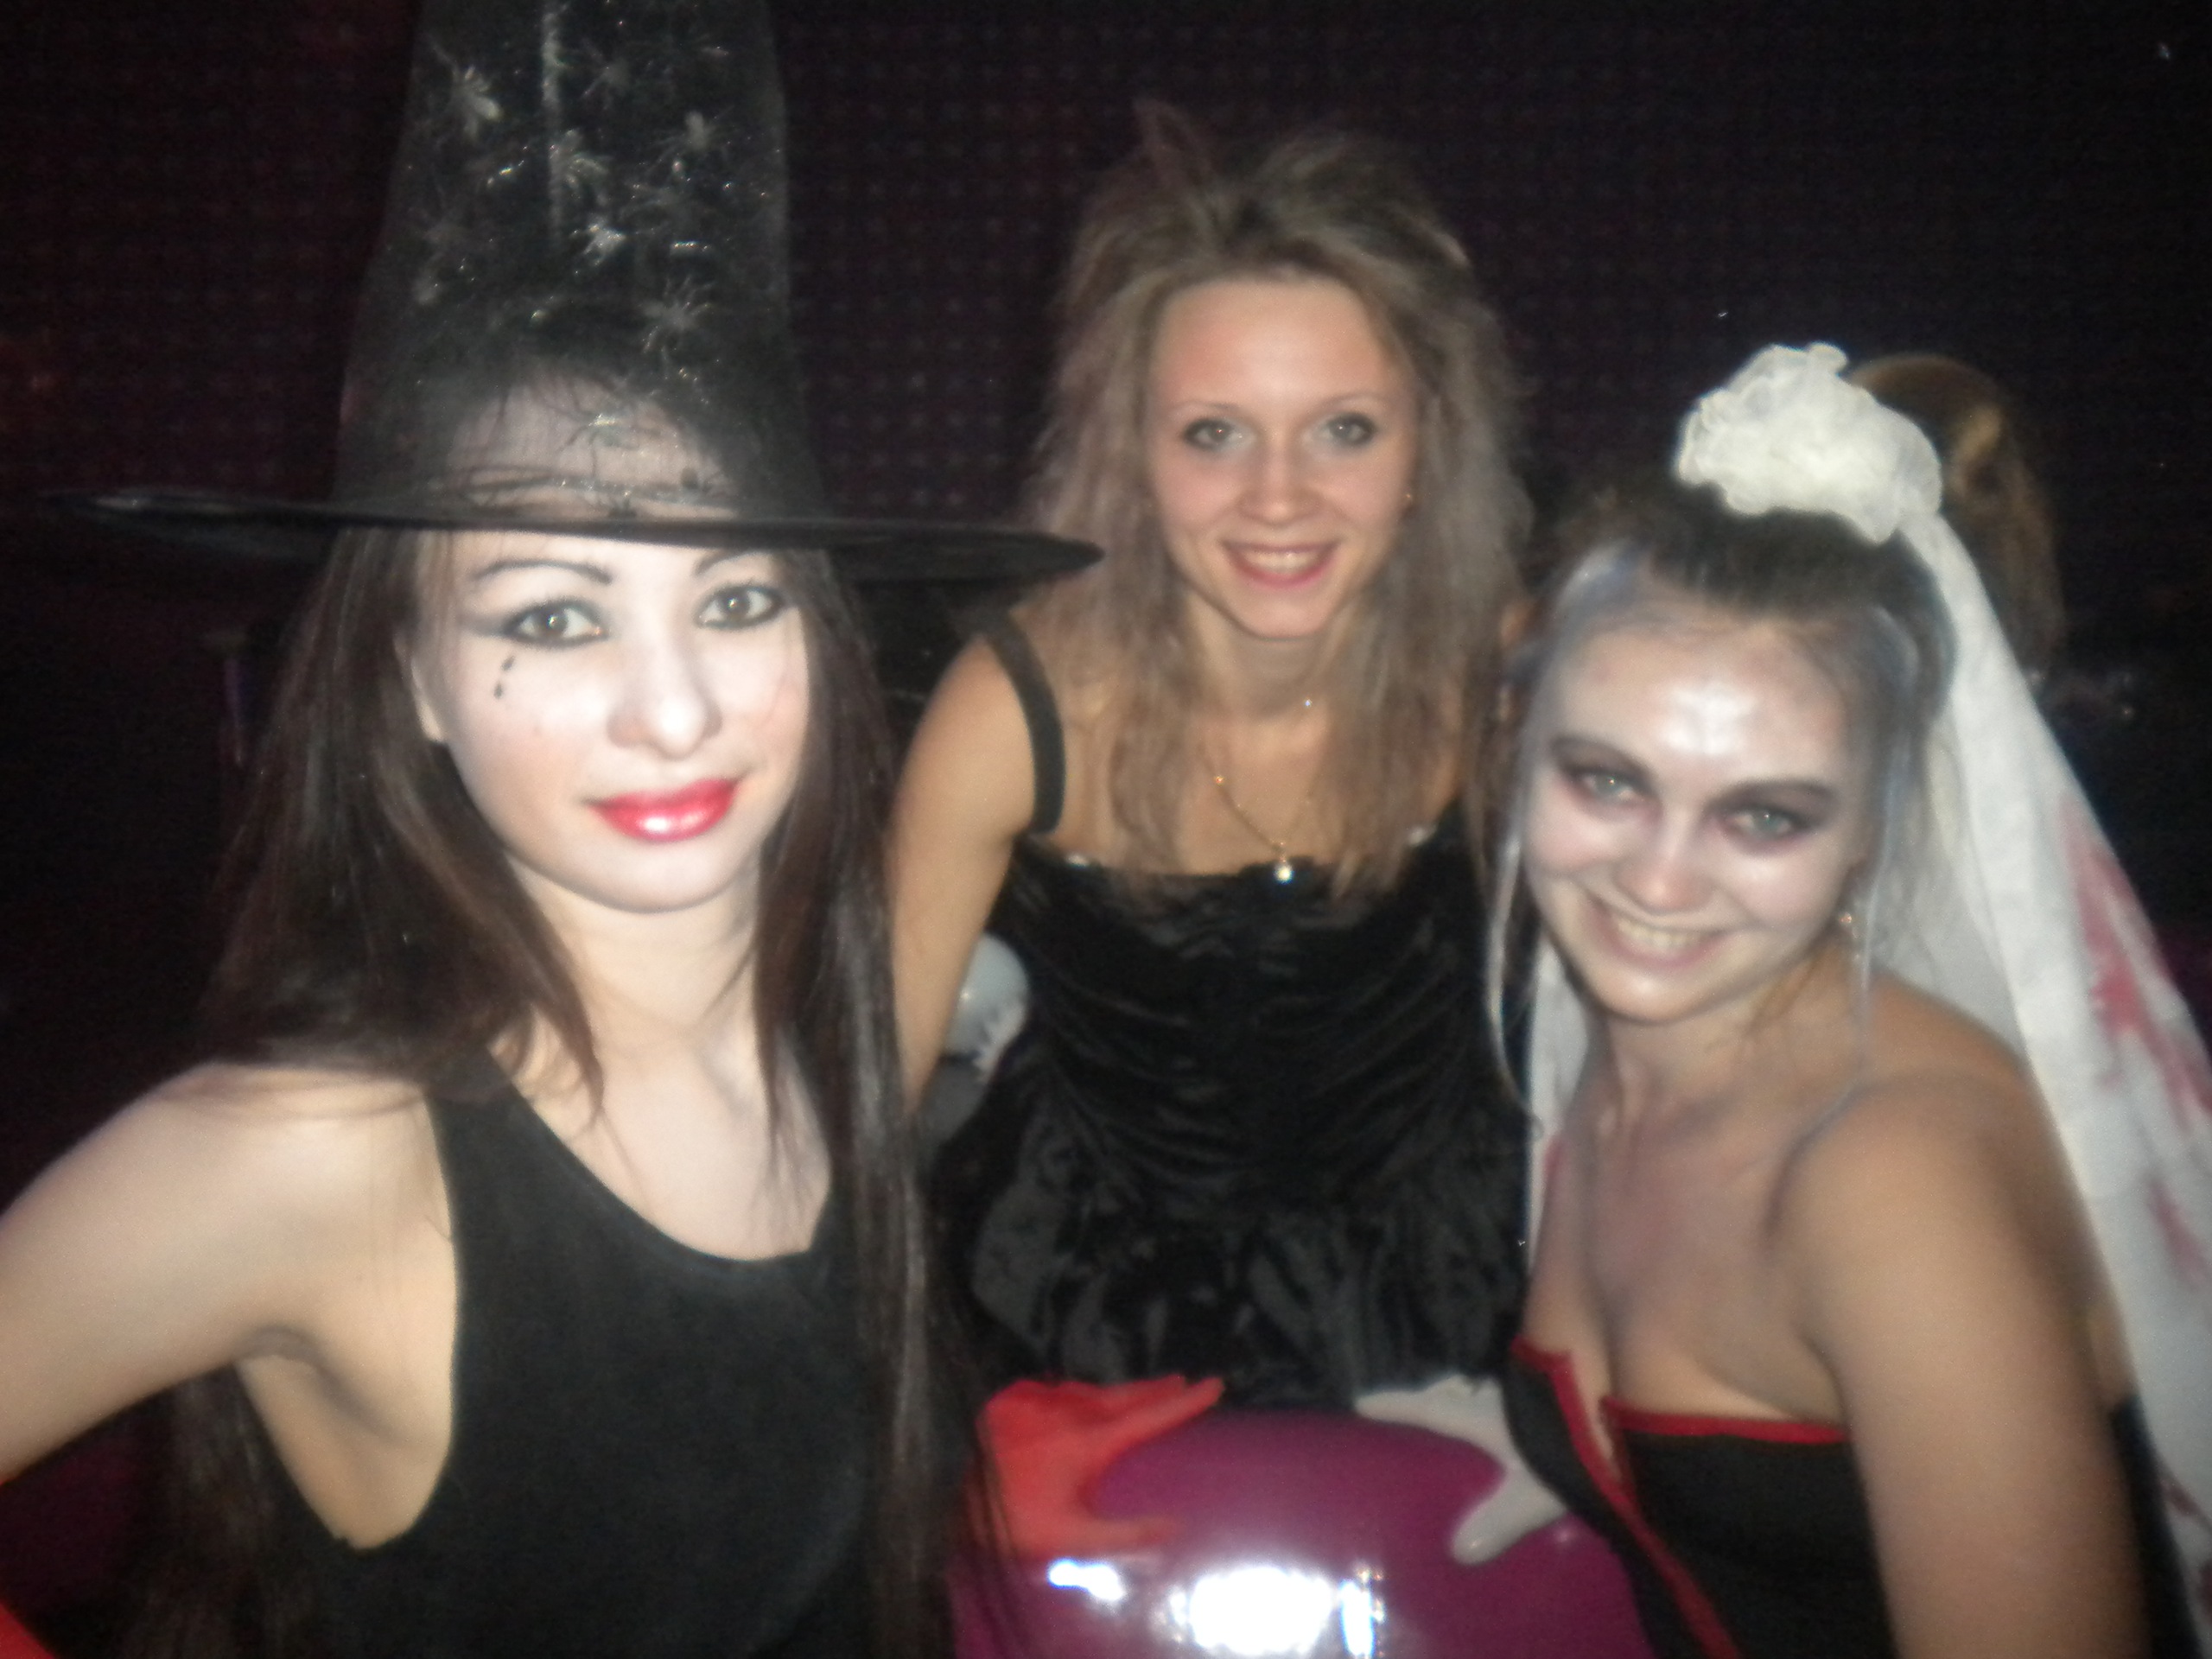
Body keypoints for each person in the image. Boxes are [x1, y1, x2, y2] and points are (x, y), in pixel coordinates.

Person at [0, 1, 1090, 1653]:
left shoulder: (818, 1032)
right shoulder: (318, 1151)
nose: (676, 710)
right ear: (413, 677)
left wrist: (946, 1480)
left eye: (736, 598)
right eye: (556, 619)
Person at [1497, 345, 2212, 1658]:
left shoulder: (1892, 1180)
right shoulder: (1624, 1044)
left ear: (1873, 834)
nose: (1657, 880)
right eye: (1606, 781)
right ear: (1522, 750)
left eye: (1764, 816)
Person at [893, 107, 1530, 1414]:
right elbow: (863, 1106)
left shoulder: (1509, 682)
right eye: (1213, 433)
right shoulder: (1014, 711)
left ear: (1426, 449)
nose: (1279, 497)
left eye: (1345, 429)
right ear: (1133, 454)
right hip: (1077, 1311)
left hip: (1452, 1292)